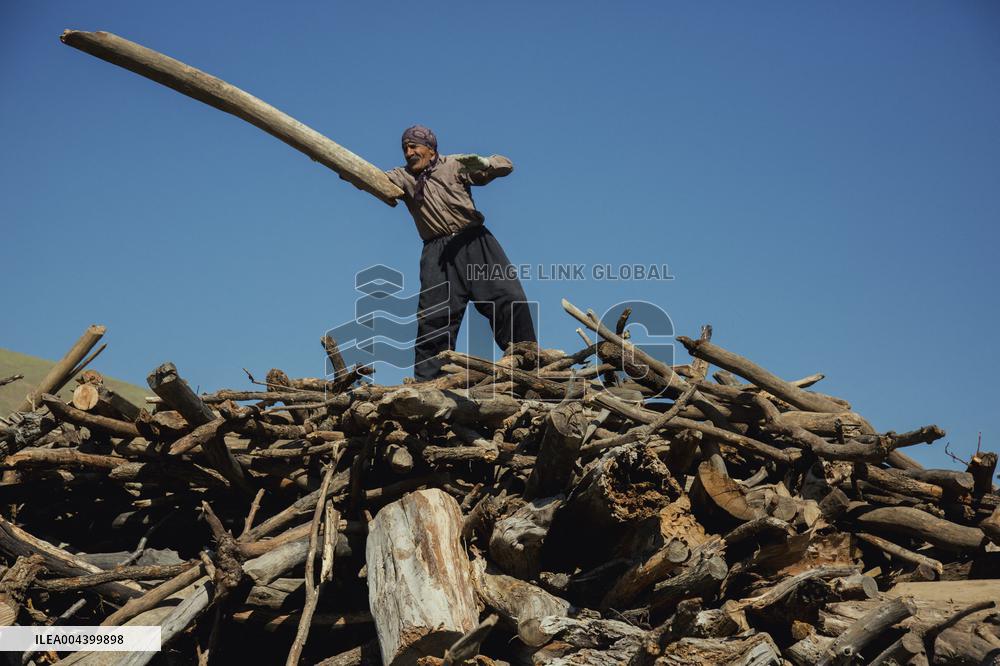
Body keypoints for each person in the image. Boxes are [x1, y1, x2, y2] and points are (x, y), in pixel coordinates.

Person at [385, 125, 536, 381]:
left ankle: (527, 362)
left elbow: (506, 165)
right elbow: (370, 178)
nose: (409, 152)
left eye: (414, 146)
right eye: (405, 148)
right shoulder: (403, 177)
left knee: (509, 297)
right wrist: (346, 170)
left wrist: (485, 163)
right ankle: (429, 384)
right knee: (433, 319)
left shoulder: (454, 164)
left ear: (431, 150)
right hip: (437, 253)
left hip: (474, 241)